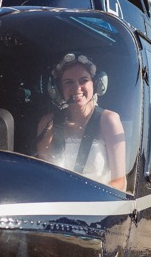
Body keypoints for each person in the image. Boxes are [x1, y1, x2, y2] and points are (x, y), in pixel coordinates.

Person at [36, 53, 127, 191]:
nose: (77, 87)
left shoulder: (109, 120)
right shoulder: (48, 122)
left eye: (83, 80)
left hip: (95, 207)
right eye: (69, 82)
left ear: (95, 84)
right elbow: (43, 175)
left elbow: (120, 182)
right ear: (58, 89)